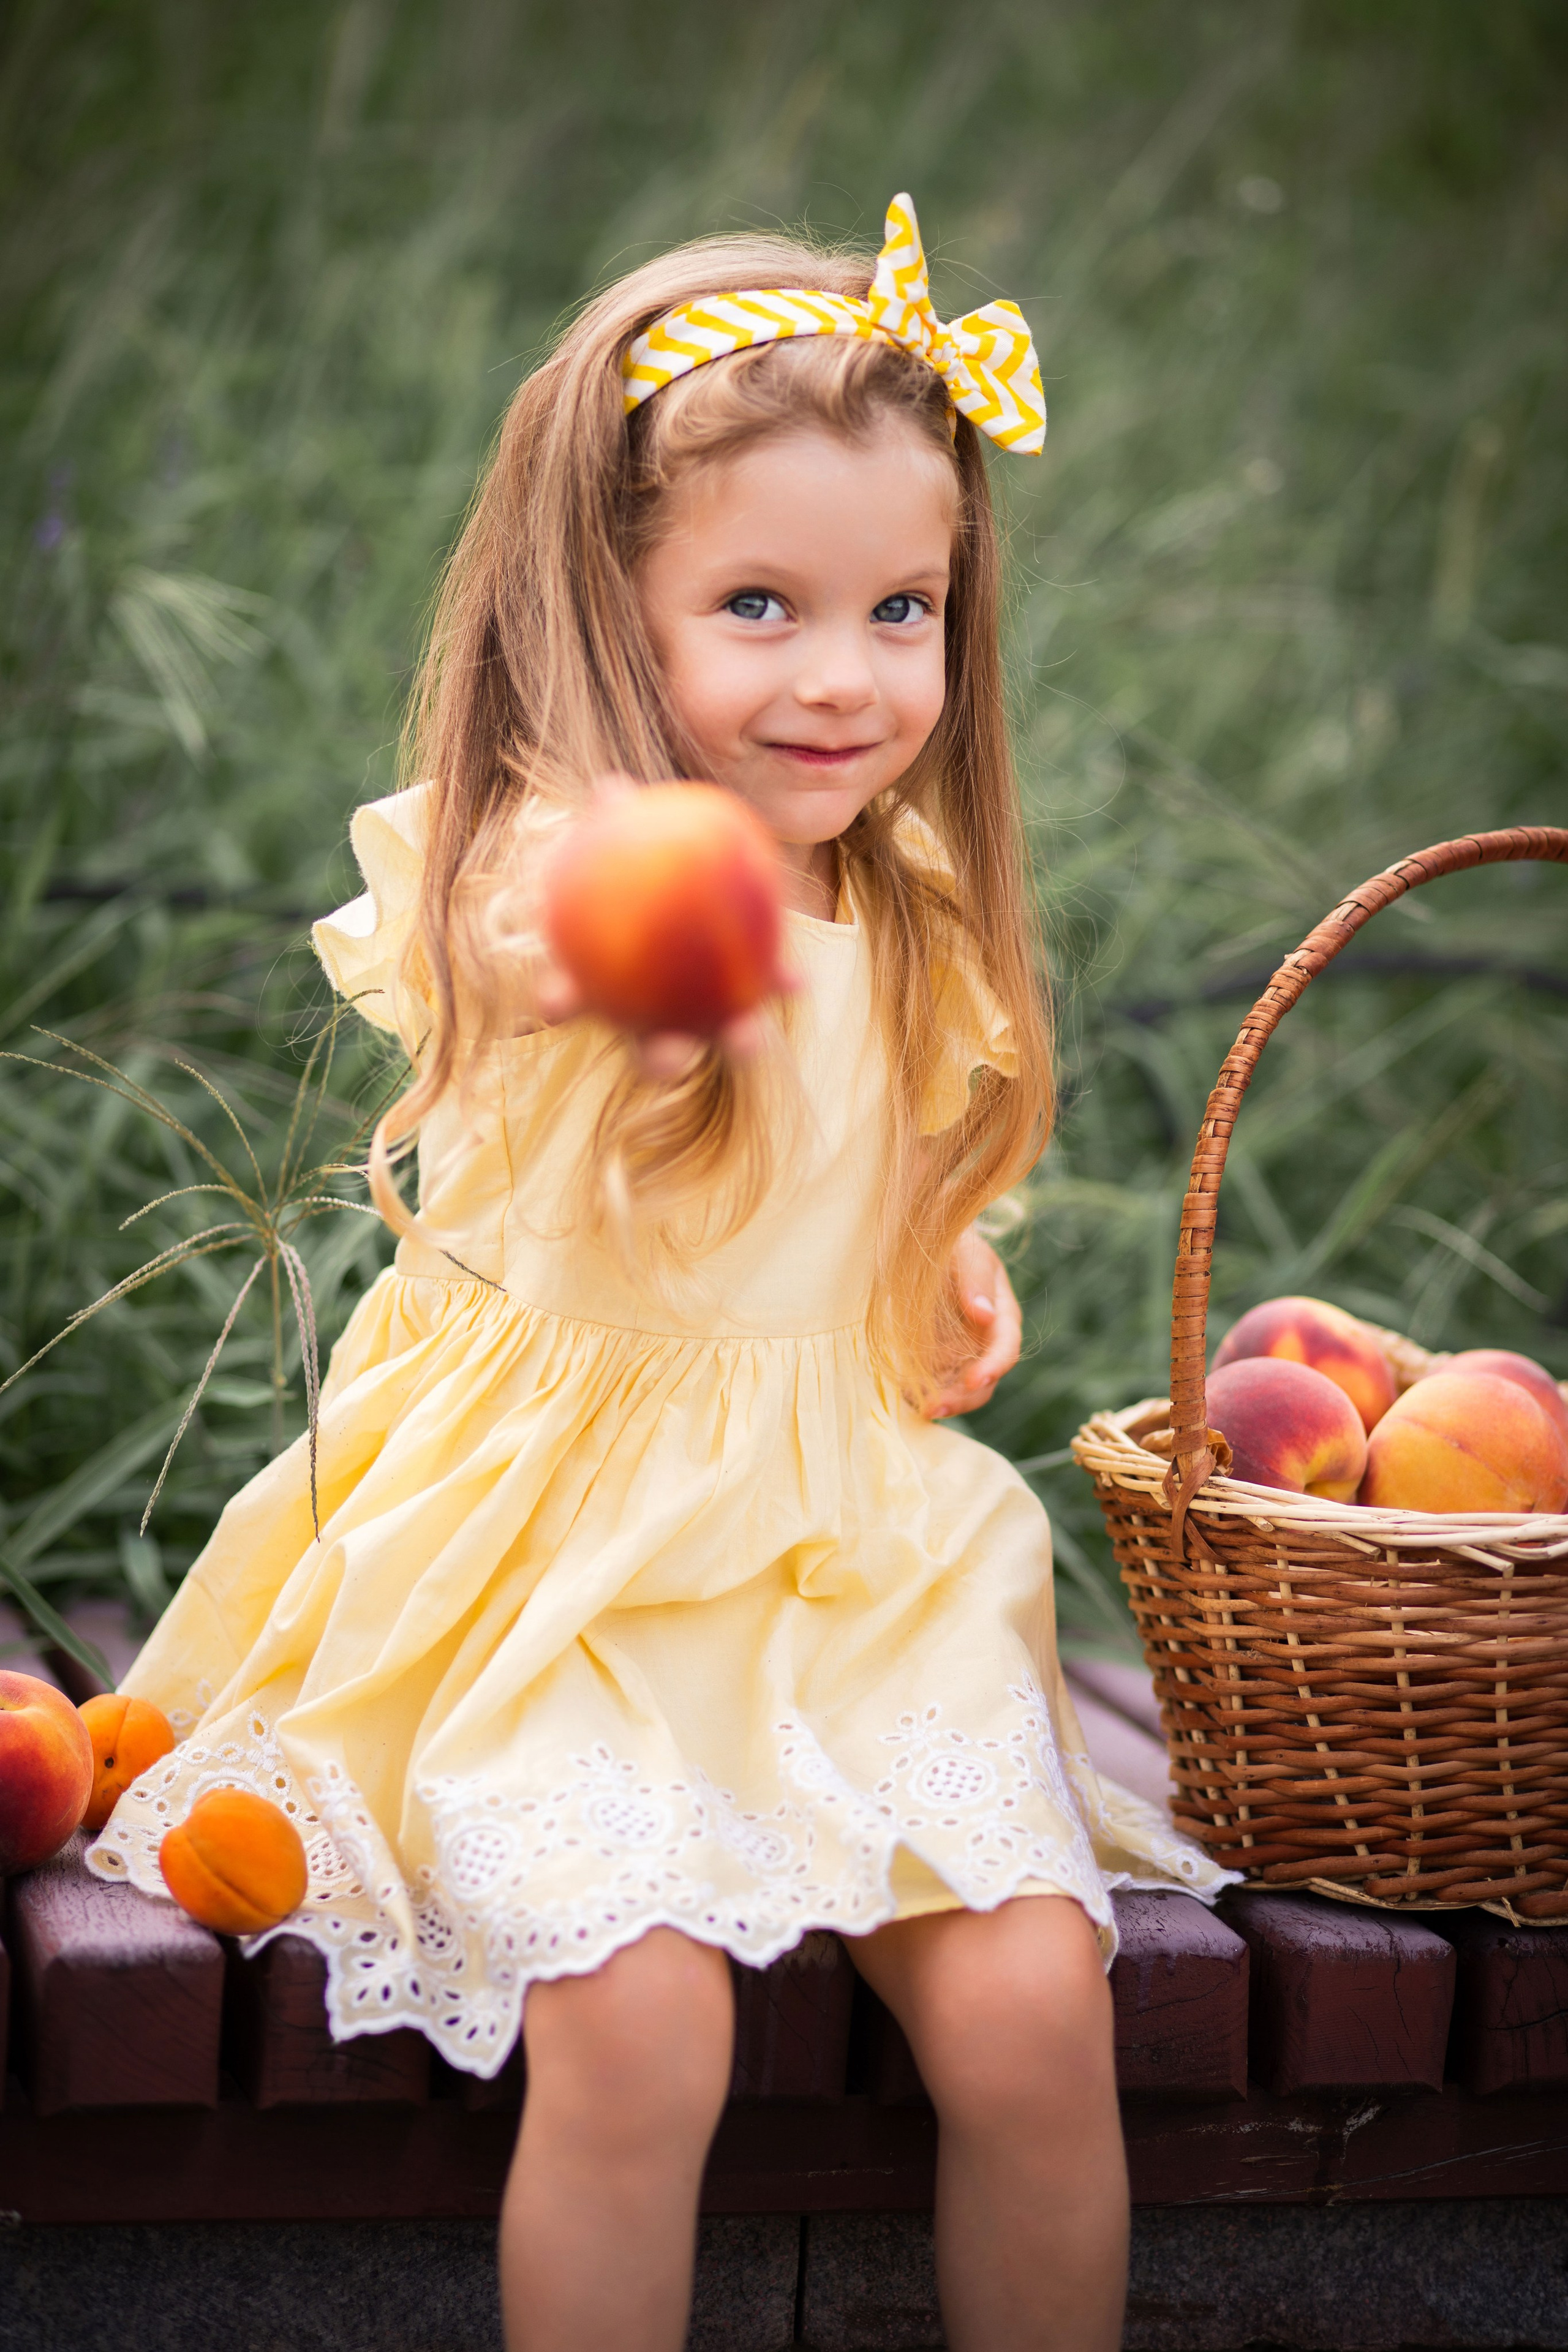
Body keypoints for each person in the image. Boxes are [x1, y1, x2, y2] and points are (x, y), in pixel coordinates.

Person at [89, 195, 1234, 2352]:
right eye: (760, 604)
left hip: (853, 1583)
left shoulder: (909, 919)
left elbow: (873, 1191)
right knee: (639, 2028)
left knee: (1030, 2019)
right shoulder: (539, 861)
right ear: (611, 606)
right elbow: (547, 953)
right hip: (557, 1599)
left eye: (904, 607)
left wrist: (939, 1268)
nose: (845, 673)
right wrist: (645, 948)